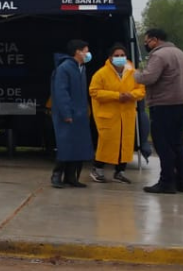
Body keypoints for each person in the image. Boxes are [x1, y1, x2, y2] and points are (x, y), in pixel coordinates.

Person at [134, 28, 183, 194]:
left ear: (155, 39)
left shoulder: (159, 55)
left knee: (163, 143)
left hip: (164, 103)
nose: (146, 44)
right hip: (182, 102)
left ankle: (166, 181)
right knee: (177, 142)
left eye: (147, 41)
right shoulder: (180, 53)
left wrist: (135, 74)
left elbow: (149, 78)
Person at [88, 44, 145, 184]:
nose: (120, 58)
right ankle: (97, 169)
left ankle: (120, 171)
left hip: (126, 115)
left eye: (122, 55)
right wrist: (116, 96)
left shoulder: (133, 72)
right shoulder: (101, 73)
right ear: (110, 57)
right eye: (117, 55)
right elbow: (94, 91)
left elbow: (141, 90)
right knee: (106, 144)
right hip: (109, 115)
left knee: (124, 144)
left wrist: (131, 95)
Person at [51, 39, 94, 188]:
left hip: (80, 114)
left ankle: (71, 177)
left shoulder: (81, 68)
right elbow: (61, 92)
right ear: (78, 51)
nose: (88, 54)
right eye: (86, 50)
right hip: (68, 114)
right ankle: (57, 175)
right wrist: (67, 113)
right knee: (66, 145)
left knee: (78, 146)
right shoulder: (65, 68)